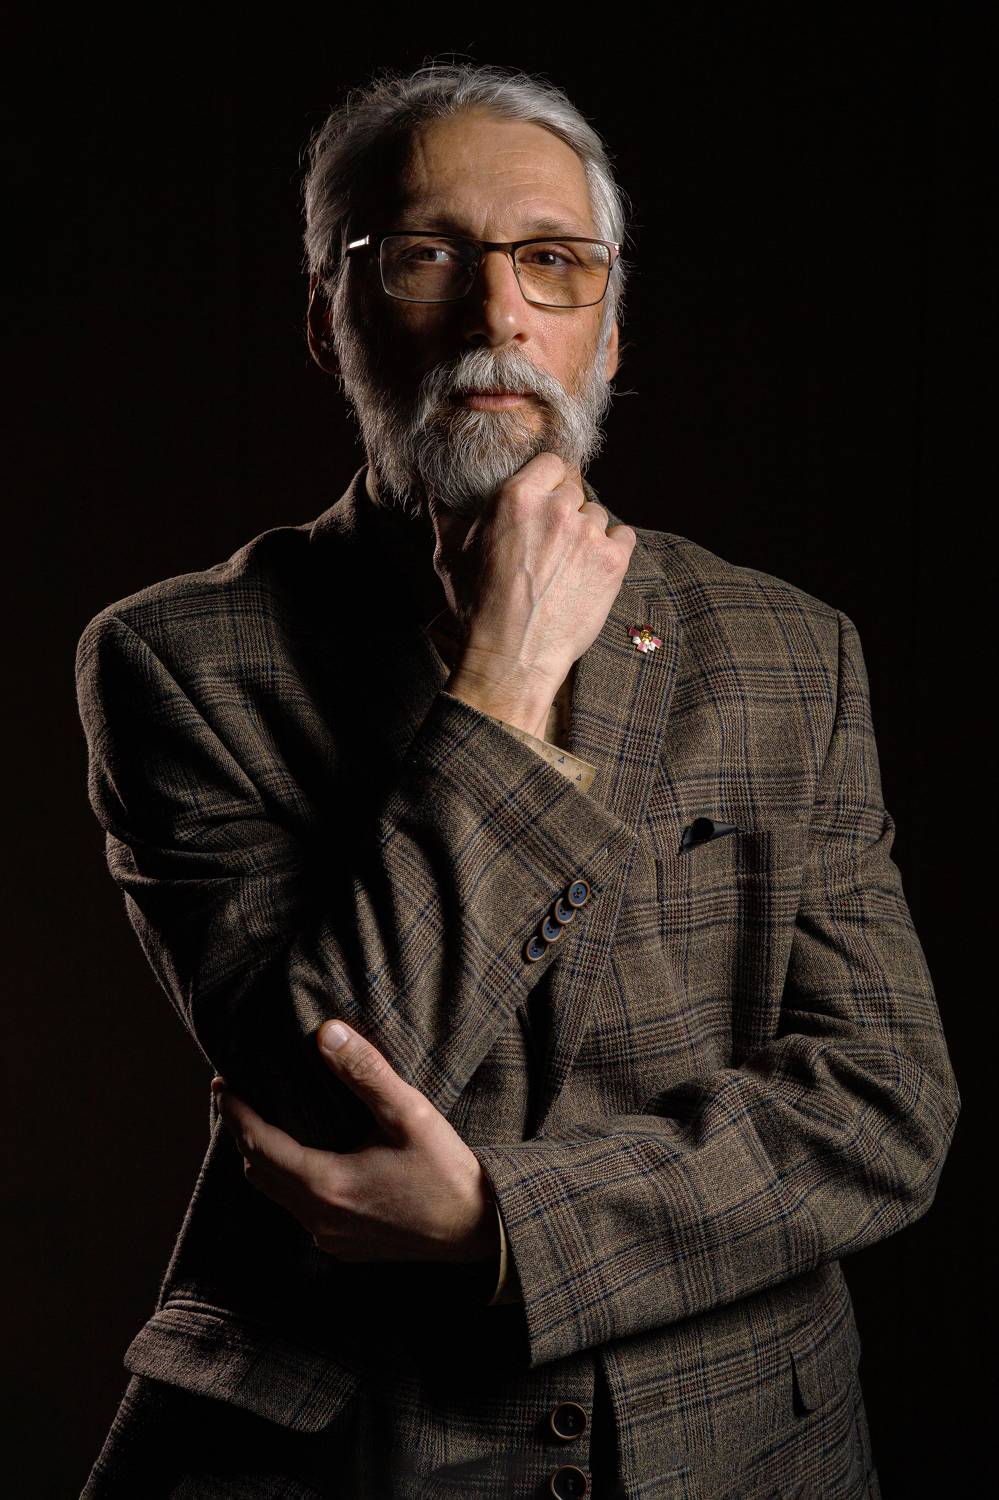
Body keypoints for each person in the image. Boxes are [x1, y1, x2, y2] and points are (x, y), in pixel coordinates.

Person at [75, 61, 960, 1500]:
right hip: (354, 1452)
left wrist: (502, 1225)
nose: (499, 317)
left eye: (555, 261)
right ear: (329, 320)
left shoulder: (794, 649)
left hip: (745, 1444)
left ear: (609, 330)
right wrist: (503, 682)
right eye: (426, 257)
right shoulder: (176, 659)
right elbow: (323, 1094)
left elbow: (886, 1105)